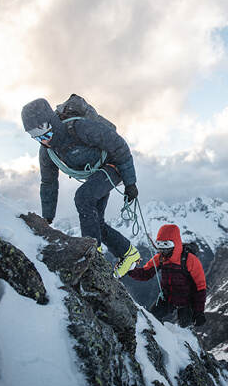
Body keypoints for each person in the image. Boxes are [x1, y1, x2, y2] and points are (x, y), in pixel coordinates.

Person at [21, 96, 140, 277]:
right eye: (36, 137)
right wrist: (47, 217)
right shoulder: (48, 152)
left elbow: (118, 145)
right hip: (96, 174)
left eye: (45, 133)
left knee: (84, 198)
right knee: (96, 222)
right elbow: (49, 183)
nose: (44, 141)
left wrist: (130, 184)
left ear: (52, 122)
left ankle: (93, 257)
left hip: (113, 165)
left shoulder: (78, 128)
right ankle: (129, 253)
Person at [128, 224, 206, 327]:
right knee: (151, 320)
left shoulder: (190, 259)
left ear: (175, 244)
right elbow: (145, 274)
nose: (164, 253)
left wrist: (198, 311)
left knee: (185, 329)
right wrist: (130, 269)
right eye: (161, 248)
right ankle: (162, 340)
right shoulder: (160, 258)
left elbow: (200, 286)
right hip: (167, 297)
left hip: (187, 300)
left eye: (167, 248)